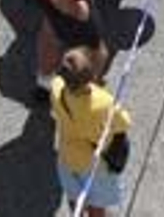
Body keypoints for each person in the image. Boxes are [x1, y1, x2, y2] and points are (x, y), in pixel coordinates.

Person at [50, 46, 132, 217]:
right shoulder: (102, 102)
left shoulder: (56, 88)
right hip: (93, 164)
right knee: (96, 204)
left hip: (66, 156)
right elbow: (124, 123)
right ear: (92, 75)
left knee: (74, 197)